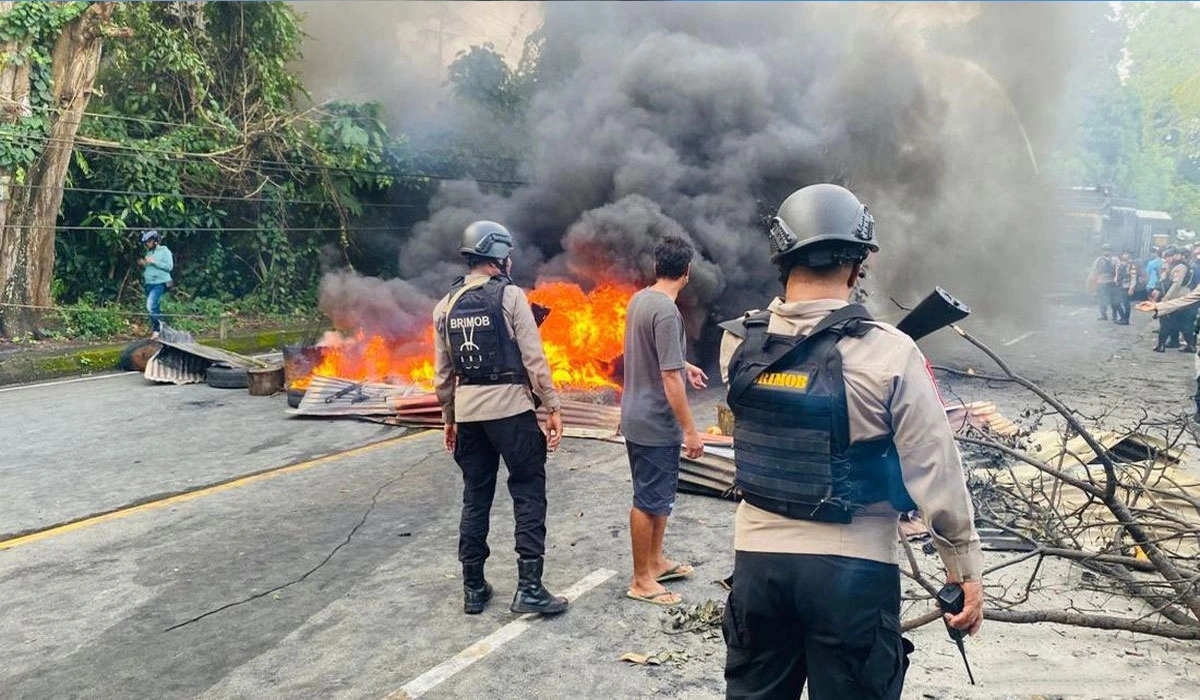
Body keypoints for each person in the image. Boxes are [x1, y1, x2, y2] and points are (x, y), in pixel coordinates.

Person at [719, 184, 983, 700]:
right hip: (853, 570)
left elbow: (744, 429)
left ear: (782, 257)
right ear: (857, 264)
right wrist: (963, 569)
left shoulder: (738, 340)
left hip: (757, 566)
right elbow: (935, 469)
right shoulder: (891, 351)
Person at [433, 220, 568, 616]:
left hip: (469, 413)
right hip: (511, 410)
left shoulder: (446, 305)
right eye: (507, 254)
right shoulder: (511, 296)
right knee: (527, 490)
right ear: (497, 256)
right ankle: (529, 588)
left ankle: (473, 587)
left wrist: (449, 416)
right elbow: (534, 358)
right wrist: (553, 406)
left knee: (476, 495)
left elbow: (443, 373)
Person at [620, 236, 709, 607]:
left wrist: (683, 364)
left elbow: (653, 355)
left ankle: (656, 562)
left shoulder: (641, 300)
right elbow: (669, 380)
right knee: (648, 498)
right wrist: (691, 431)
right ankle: (641, 579)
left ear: (657, 267)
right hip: (654, 421)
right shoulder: (667, 311)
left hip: (636, 414)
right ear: (687, 272)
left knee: (658, 496)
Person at [1155, 248, 1193, 352]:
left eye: (1168, 257)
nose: (1166, 259)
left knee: (1165, 321)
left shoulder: (1179, 267)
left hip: (1176, 297)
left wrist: (1166, 298)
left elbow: (1176, 284)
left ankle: (1161, 345)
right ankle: (1184, 343)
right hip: (1181, 297)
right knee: (1182, 322)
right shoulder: (1177, 266)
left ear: (1175, 255)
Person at [137, 230, 173, 338]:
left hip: (160, 283)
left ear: (155, 241)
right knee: (154, 307)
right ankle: (161, 329)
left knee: (150, 306)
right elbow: (149, 267)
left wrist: (154, 262)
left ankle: (157, 330)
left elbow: (169, 267)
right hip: (149, 283)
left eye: (148, 241)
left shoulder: (164, 250)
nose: (146, 244)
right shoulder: (149, 253)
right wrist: (144, 264)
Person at [1090, 244, 1117, 321]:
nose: (1106, 251)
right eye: (1105, 250)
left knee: (1113, 300)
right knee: (1102, 299)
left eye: (1108, 250)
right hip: (1101, 281)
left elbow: (1118, 269)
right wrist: (1093, 278)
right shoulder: (1099, 260)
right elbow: (1094, 269)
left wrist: (1116, 278)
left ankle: (1114, 315)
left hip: (1112, 281)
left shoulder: (1114, 259)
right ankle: (1103, 315)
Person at [1113, 251, 1136, 325]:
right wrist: (1116, 280)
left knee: (1126, 304)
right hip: (1119, 286)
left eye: (1126, 254)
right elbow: (1117, 274)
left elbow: (1133, 277)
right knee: (1116, 302)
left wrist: (1131, 288)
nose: (1125, 255)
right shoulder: (1119, 264)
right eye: (1124, 254)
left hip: (1126, 286)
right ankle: (1122, 317)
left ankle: (1126, 319)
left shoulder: (1131, 265)